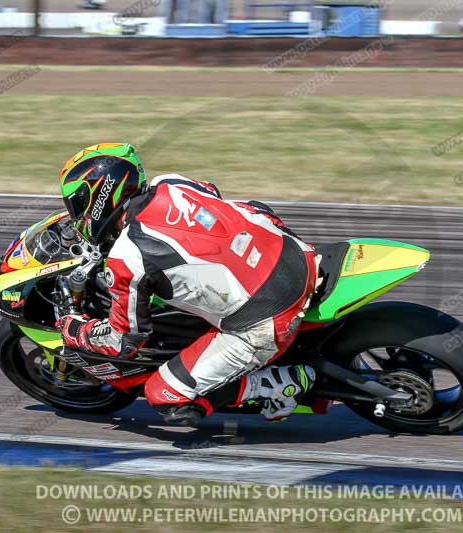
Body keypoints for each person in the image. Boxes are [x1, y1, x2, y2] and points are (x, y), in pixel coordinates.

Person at [55, 143, 320, 426]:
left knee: (163, 394)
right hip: (297, 255)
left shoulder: (127, 256)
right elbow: (212, 196)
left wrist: (73, 329)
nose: (76, 216)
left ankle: (281, 384)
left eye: (77, 206)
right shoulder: (169, 182)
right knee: (244, 210)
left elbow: (123, 342)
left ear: (96, 198)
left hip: (268, 318)